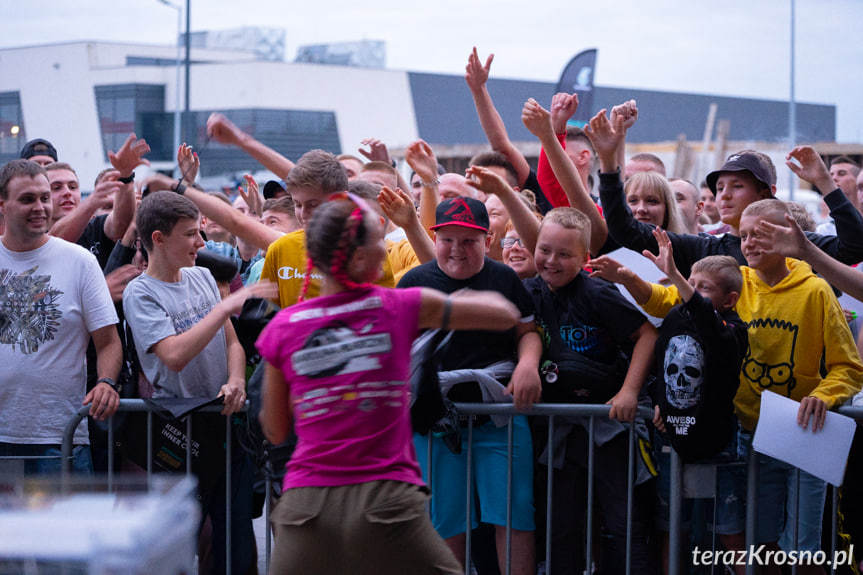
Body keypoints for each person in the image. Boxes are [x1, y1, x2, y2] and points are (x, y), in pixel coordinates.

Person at [257, 194, 522, 574]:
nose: (385, 247)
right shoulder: (398, 306)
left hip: (307, 503)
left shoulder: (283, 328)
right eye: (378, 239)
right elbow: (504, 314)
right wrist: (448, 304)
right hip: (387, 499)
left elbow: (276, 428)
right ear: (361, 257)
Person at [636, 200, 863, 572]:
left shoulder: (816, 291)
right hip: (749, 436)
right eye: (744, 235)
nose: (750, 243)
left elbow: (848, 367)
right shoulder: (735, 288)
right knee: (761, 545)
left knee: (803, 549)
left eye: (761, 234)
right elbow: (673, 304)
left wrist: (823, 394)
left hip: (803, 434)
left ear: (790, 235)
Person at [122, 190, 275, 574]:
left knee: (237, 549)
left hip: (226, 426)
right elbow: (173, 356)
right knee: (175, 550)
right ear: (158, 238)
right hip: (179, 434)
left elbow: (232, 343)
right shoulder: (140, 292)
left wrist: (237, 380)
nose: (202, 243)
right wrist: (223, 306)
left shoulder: (203, 276)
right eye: (191, 234)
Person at [398, 196, 542, 575]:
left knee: (514, 514)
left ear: (488, 239)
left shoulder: (504, 279)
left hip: (500, 418)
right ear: (435, 238)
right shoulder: (414, 282)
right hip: (434, 421)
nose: (457, 250)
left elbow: (528, 331)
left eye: (469, 241)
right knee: (445, 520)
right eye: (448, 240)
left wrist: (528, 365)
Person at [591, 233, 749, 575]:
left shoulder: (734, 329)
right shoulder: (676, 316)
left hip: (717, 442)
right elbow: (661, 364)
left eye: (703, 287)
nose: (690, 290)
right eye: (690, 282)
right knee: (670, 524)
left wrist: (676, 276)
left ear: (729, 299)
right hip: (672, 439)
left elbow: (709, 322)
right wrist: (664, 401)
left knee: (729, 527)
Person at [524, 207, 659, 574]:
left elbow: (647, 333)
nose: (551, 261)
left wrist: (630, 391)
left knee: (625, 524)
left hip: (608, 426)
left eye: (564, 254)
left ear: (585, 259)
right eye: (545, 250)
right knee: (561, 528)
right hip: (556, 431)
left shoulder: (598, 292)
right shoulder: (525, 292)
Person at [588, 106, 863, 278]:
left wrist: (826, 184)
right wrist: (610, 163)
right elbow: (625, 230)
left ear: (766, 194)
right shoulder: (704, 248)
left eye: (737, 186)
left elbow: (853, 249)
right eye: (719, 188)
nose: (724, 196)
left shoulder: (797, 245)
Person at [0, 159, 121, 474]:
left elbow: (108, 342)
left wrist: (107, 382)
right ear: (3, 204)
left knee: (64, 526)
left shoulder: (80, 262)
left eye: (44, 198)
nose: (40, 207)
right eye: (27, 199)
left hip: (60, 438)